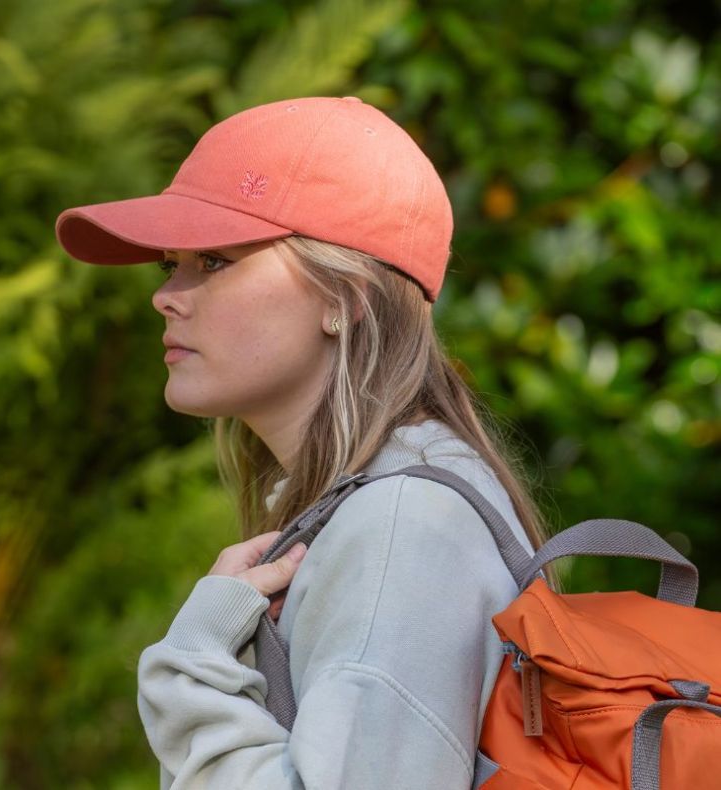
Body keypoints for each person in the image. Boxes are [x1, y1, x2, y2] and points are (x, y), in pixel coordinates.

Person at [55, 95, 552, 789]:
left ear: (344, 298)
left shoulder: (405, 526)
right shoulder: (367, 505)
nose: (165, 296)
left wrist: (192, 670)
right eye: (170, 264)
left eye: (214, 262)